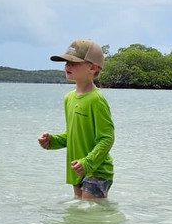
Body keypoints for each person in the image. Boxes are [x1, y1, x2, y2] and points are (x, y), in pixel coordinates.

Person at [37, 39, 116, 200]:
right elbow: (72, 134)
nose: (67, 66)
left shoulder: (96, 99)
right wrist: (52, 141)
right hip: (77, 169)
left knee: (90, 214)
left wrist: (88, 162)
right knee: (79, 218)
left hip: (97, 170)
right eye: (66, 61)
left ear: (93, 67)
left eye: (74, 62)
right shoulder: (69, 98)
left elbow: (107, 138)